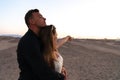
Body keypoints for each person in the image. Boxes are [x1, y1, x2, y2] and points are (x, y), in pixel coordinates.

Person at [17, 9, 66, 80]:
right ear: (31, 21)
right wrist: (61, 77)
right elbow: (42, 70)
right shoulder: (28, 42)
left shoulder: (40, 39)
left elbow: (51, 53)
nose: (44, 18)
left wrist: (61, 67)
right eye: (40, 17)